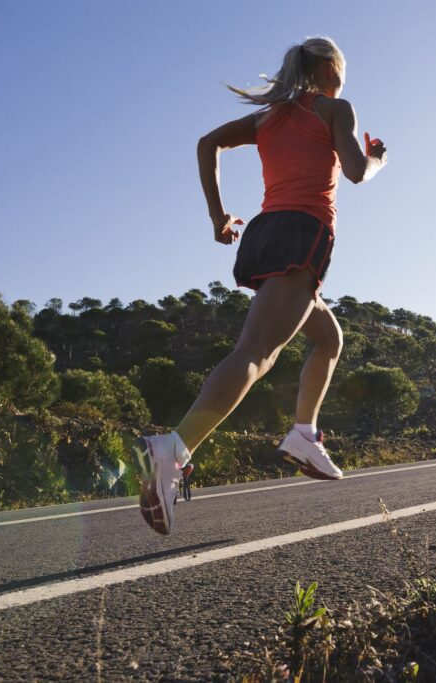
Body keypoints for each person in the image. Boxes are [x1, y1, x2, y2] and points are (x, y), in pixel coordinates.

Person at [133, 36, 387, 535]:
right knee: (256, 353)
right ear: (332, 70)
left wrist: (217, 218)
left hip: (267, 233)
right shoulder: (336, 108)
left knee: (329, 338)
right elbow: (356, 173)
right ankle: (172, 449)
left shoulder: (269, 117)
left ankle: (303, 433)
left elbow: (208, 143)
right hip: (302, 231)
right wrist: (377, 157)